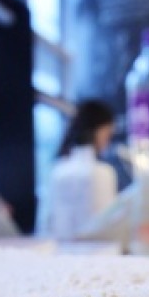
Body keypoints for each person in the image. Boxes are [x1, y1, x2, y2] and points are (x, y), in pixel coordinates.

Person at [38, 99, 117, 238]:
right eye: (108, 134)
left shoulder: (56, 170)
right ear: (98, 131)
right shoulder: (103, 173)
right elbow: (107, 230)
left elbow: (44, 225)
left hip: (55, 254)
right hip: (97, 255)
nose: (108, 142)